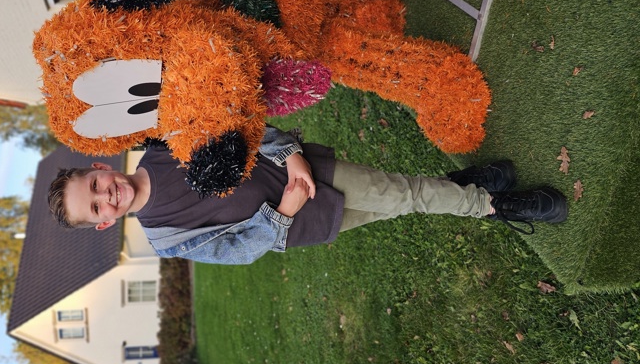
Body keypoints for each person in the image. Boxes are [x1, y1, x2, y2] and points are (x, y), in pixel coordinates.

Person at [47, 127, 568, 265]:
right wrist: (282, 214)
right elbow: (237, 251)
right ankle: (466, 185)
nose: (106, 196)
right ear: (102, 223)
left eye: (95, 186)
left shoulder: (163, 148)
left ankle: (494, 206)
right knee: (397, 205)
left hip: (307, 173)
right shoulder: (165, 238)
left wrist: (289, 154)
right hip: (303, 220)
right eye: (96, 207)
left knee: (403, 194)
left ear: (99, 167)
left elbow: (240, 127)